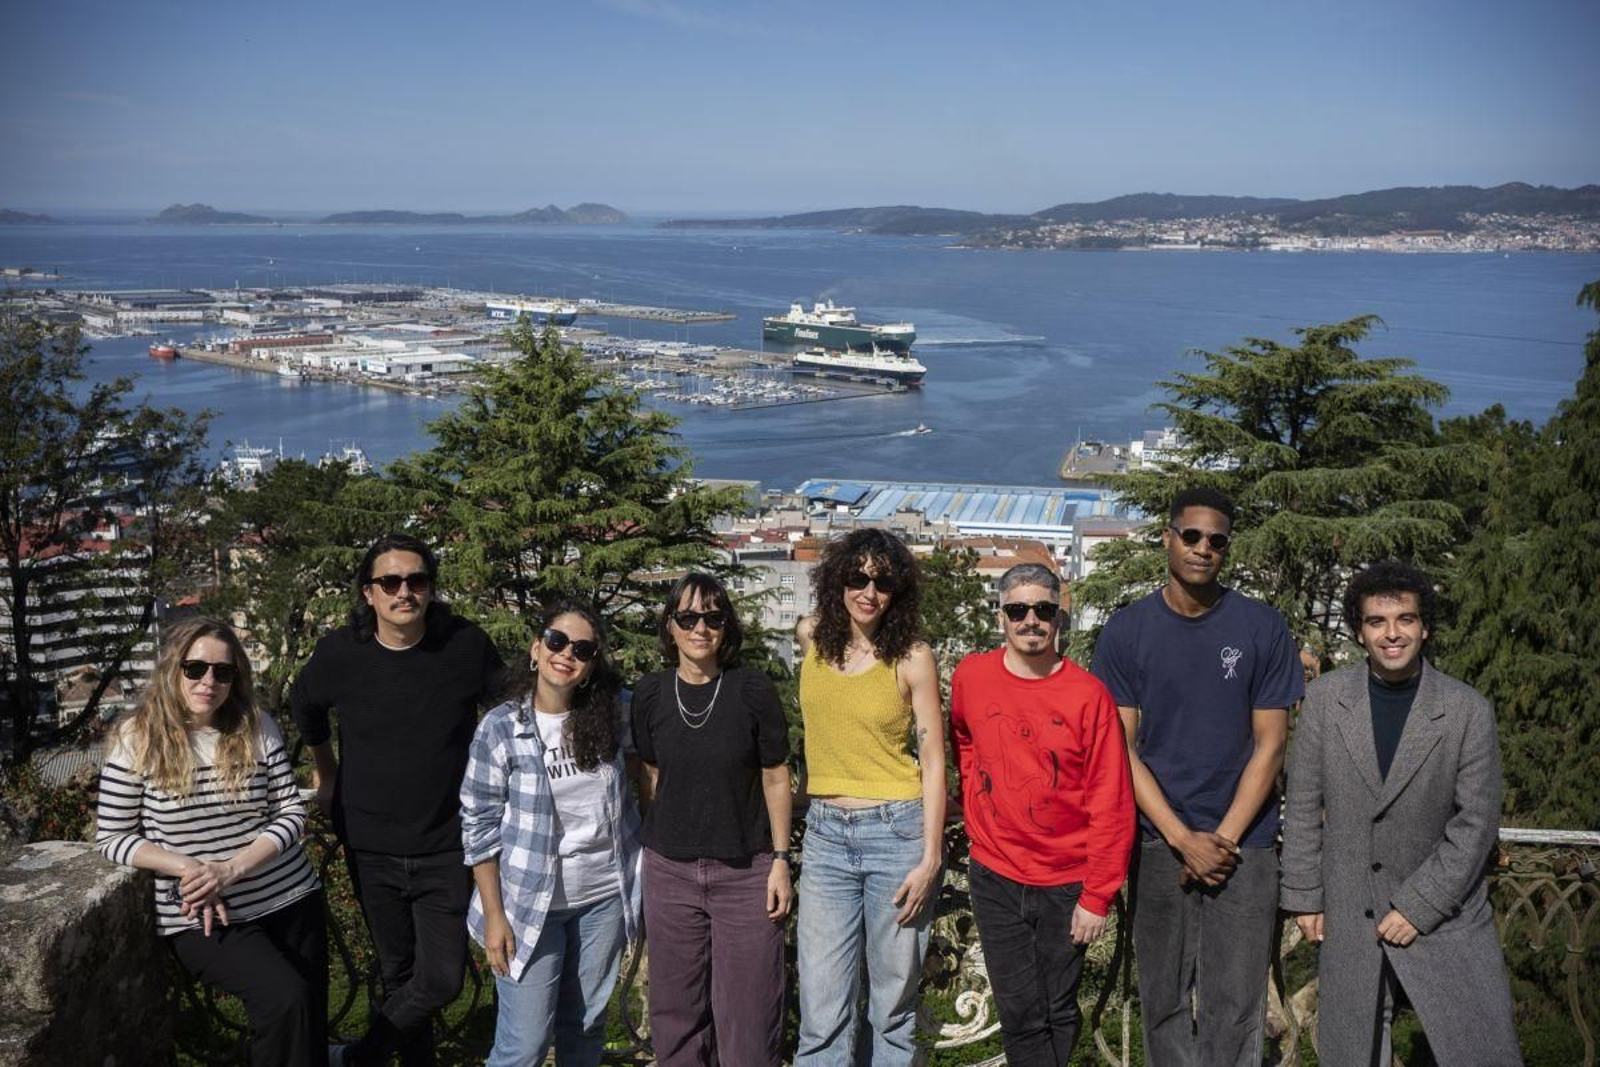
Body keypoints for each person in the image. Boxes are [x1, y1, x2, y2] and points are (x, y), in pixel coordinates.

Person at [1091, 487, 1304, 1067]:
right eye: (1191, 536)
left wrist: (1223, 841)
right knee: (1161, 998)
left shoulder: (1262, 628)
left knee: (1235, 1005)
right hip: (1159, 844)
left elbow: (1271, 744)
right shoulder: (1127, 631)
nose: (1203, 548)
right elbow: (1119, 747)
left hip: (1247, 848)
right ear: (1168, 538)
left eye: (1217, 540)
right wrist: (1185, 840)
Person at [1280, 562, 1524, 1066]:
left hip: (1445, 912)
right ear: (1360, 630)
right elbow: (1303, 799)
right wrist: (1304, 895)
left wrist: (1418, 906)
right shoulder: (1326, 699)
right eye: (1377, 622)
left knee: (1479, 1048)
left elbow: (1476, 822)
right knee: (1355, 1051)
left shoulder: (1466, 710)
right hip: (1348, 908)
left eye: (1405, 620)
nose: (1392, 634)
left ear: (1424, 626)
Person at [291, 533, 505, 1066]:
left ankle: (360, 1058)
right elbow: (305, 704)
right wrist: (326, 773)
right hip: (369, 843)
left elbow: (509, 717)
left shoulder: (465, 646)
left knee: (441, 980)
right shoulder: (342, 653)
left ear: (430, 589)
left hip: (446, 843)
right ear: (369, 593)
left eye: (416, 580)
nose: (403, 591)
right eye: (390, 581)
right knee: (397, 975)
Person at [96, 617, 325, 1066]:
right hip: (200, 913)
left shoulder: (255, 726)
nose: (209, 681)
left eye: (223, 671)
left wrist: (230, 869)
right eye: (195, 668)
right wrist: (190, 869)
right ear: (172, 668)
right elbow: (112, 836)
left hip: (290, 895)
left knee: (308, 1021)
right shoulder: (136, 737)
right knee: (285, 999)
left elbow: (292, 811)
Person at [950, 563, 1135, 1066]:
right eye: (1018, 609)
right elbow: (964, 740)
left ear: (1059, 618)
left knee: (1056, 1007)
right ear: (1001, 616)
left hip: (1067, 882)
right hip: (996, 874)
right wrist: (975, 804)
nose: (1030, 620)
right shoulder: (971, 676)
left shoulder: (1088, 695)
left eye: (1043, 610)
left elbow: (1111, 798)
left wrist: (1097, 895)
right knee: (1019, 1011)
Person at [460, 600, 643, 1067]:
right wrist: (495, 916)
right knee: (524, 1044)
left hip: (602, 897)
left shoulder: (615, 713)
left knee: (585, 1029)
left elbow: (650, 765)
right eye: (558, 642)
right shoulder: (501, 728)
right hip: (526, 906)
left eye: (582, 649)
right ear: (536, 649)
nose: (567, 655)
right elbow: (478, 828)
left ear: (592, 663)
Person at [794, 528, 945, 1067]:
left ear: (896, 591)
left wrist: (931, 858)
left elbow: (932, 759)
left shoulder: (912, 657)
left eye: (881, 582)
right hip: (825, 838)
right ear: (836, 580)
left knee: (894, 1010)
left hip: (896, 834)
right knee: (821, 1010)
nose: (867, 592)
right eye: (856, 578)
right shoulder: (812, 637)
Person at [631, 573, 792, 1066]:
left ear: (727, 627)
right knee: (674, 1012)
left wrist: (782, 860)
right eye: (688, 617)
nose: (700, 628)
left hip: (746, 873)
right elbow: (650, 772)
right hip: (670, 871)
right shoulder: (651, 694)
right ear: (670, 626)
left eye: (713, 617)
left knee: (750, 1014)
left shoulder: (751, 689)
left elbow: (776, 775)